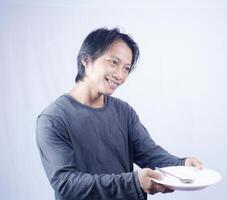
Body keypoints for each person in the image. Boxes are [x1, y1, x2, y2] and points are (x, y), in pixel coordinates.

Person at [36, 27, 202, 200]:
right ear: (86, 60)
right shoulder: (53, 119)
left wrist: (181, 164)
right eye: (113, 62)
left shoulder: (124, 111)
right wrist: (134, 183)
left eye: (126, 68)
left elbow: (148, 153)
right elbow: (66, 183)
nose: (120, 75)